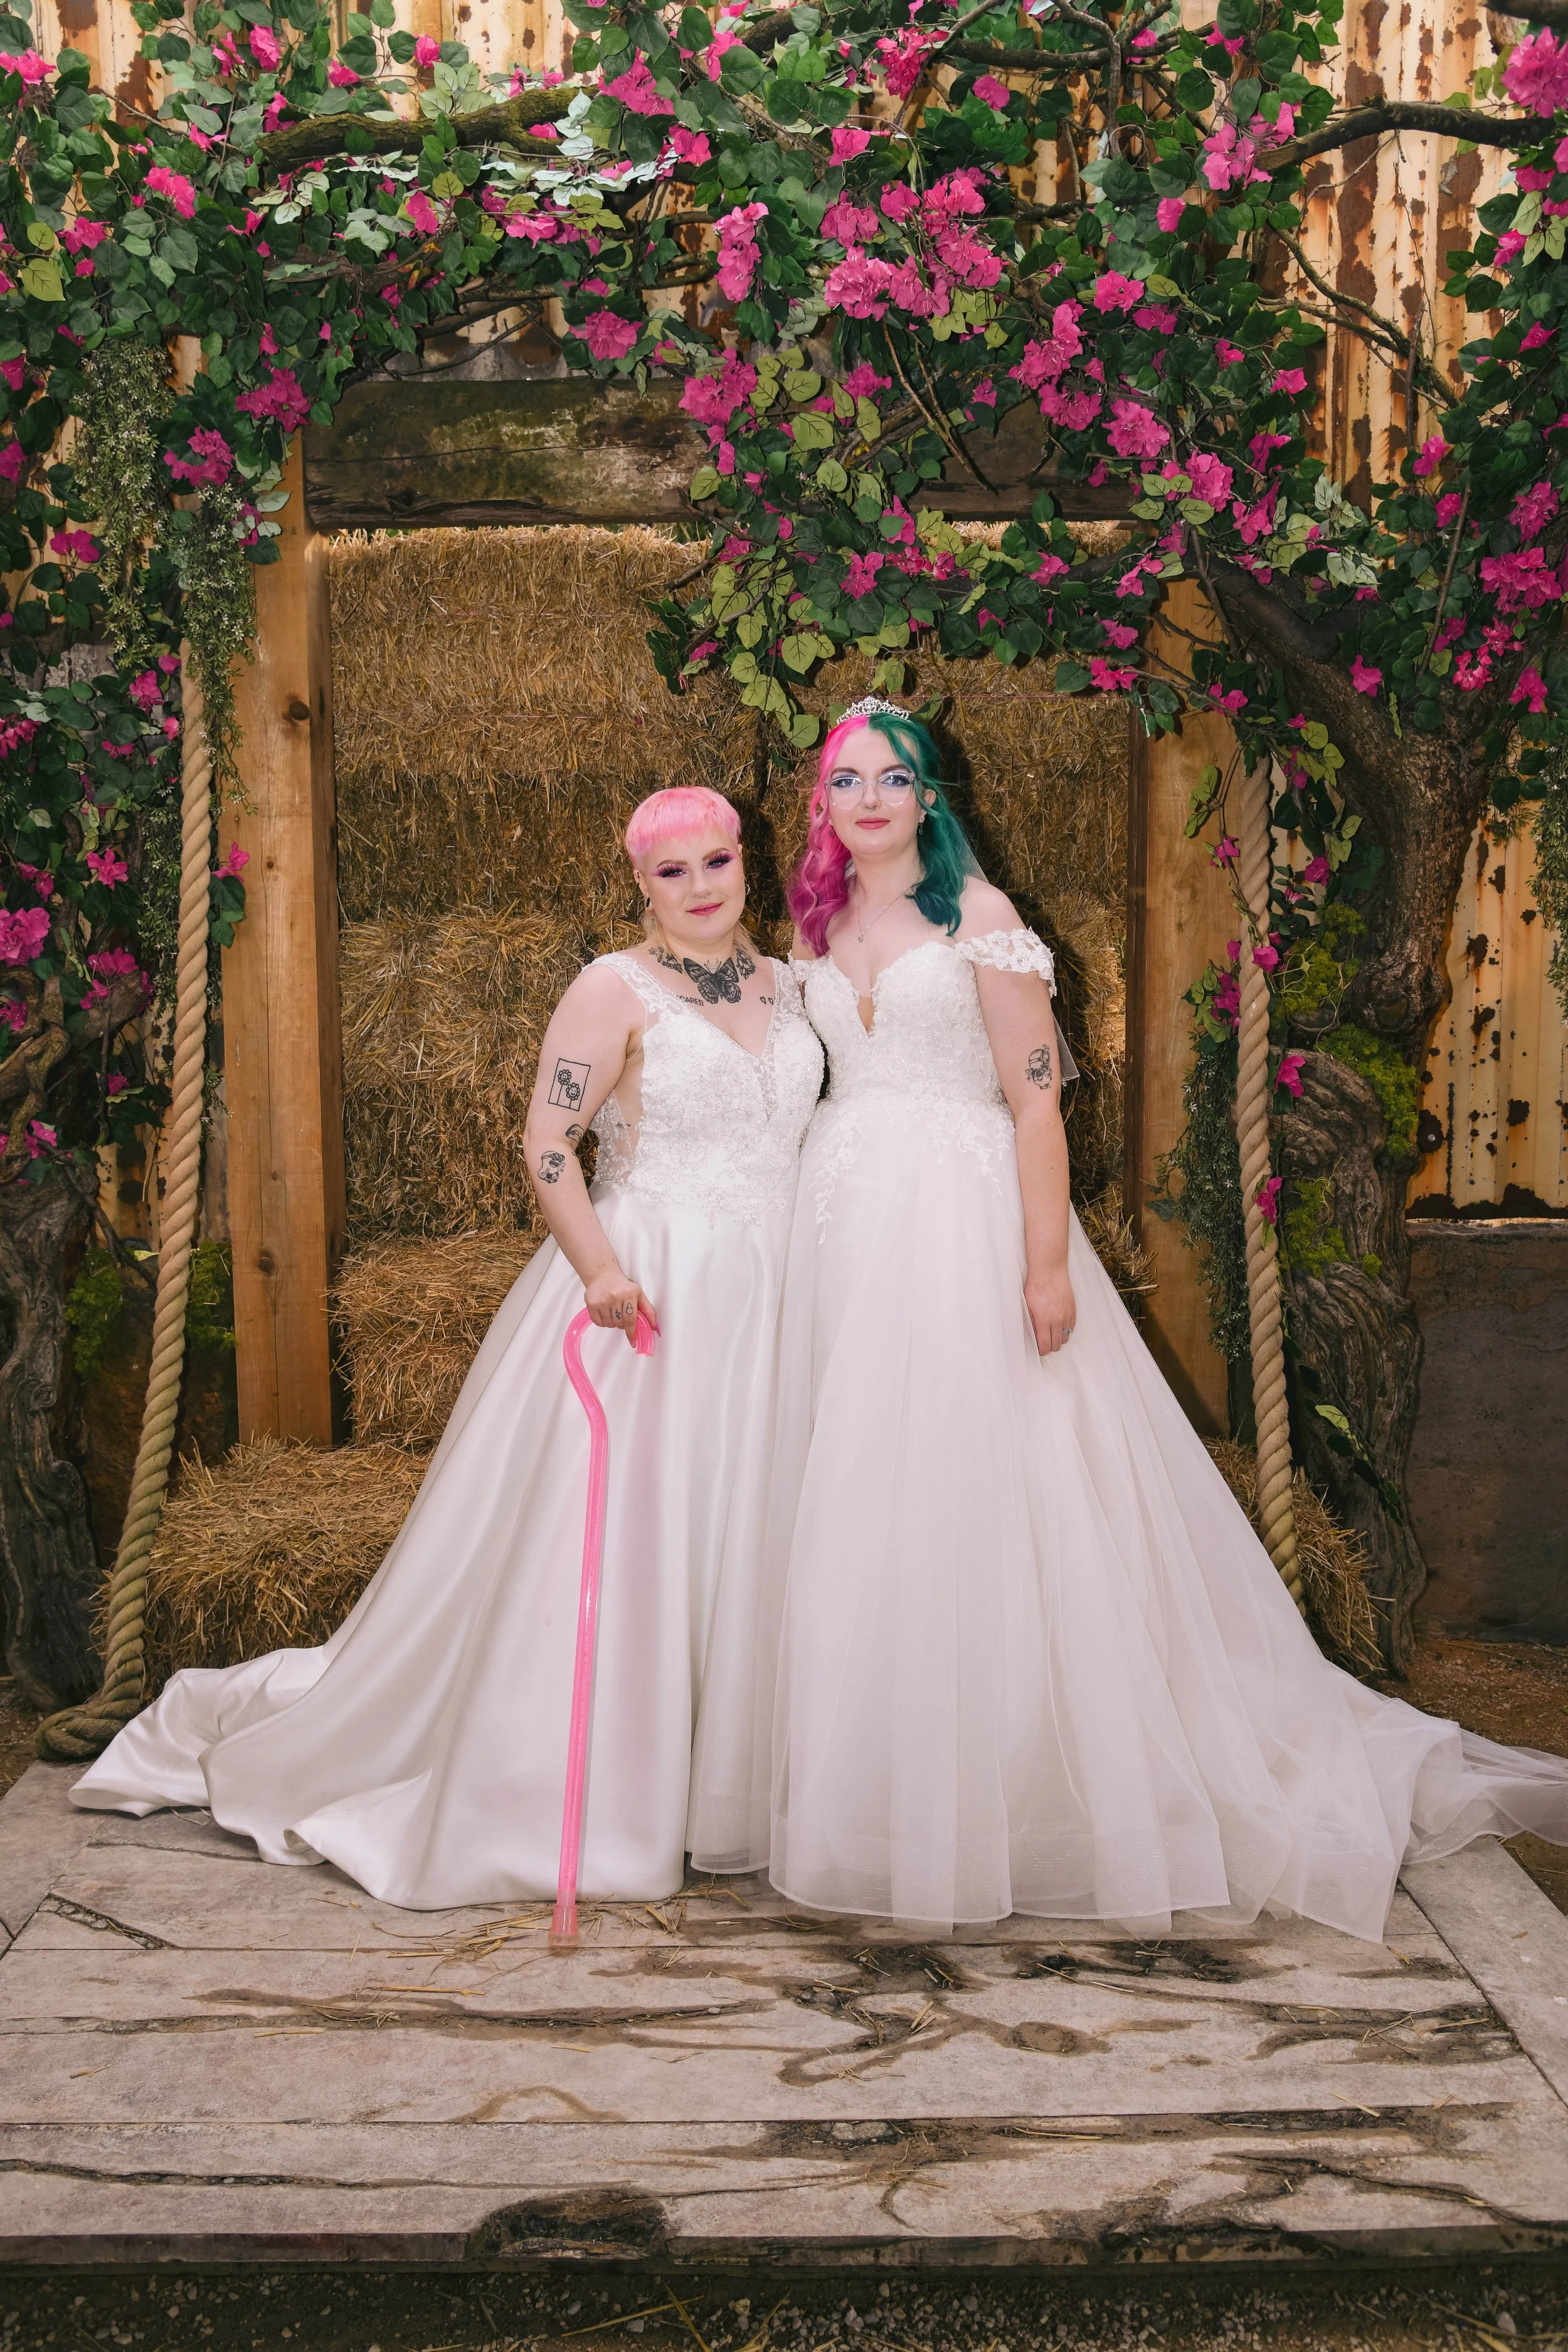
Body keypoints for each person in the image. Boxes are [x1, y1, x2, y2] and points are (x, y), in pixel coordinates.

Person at [763, 697, 1568, 1942]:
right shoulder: (813, 927)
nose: (865, 798)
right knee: (869, 1483)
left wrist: (1043, 1266)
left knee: (992, 1480)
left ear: (930, 796)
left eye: (891, 777)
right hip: (843, 1226)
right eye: (843, 780)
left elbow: (1034, 1108)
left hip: (961, 1220)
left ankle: (1020, 1783)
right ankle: (878, 1776)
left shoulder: (977, 924)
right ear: (821, 803)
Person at [72, 787, 825, 1910]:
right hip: (653, 1288)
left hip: (783, 1291)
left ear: (745, 865)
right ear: (640, 884)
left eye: (718, 860)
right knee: (646, 1535)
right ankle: (613, 1781)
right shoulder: (609, 989)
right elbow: (547, 1146)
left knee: (764, 1522)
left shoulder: (792, 982)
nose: (702, 885)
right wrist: (601, 1269)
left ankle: (747, 1774)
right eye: (674, 871)